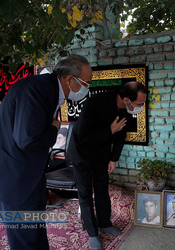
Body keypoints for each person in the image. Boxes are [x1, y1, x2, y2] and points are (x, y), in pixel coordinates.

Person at [0, 54, 92, 250]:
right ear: (70, 79)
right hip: (12, 176)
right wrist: (54, 128)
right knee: (24, 237)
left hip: (29, 172)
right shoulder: (37, 89)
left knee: (35, 229)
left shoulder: (49, 89)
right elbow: (28, 140)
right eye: (86, 83)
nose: (87, 89)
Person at [67, 81, 147, 250]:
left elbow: (120, 136)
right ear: (126, 99)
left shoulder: (126, 110)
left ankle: (104, 223)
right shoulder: (95, 103)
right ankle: (92, 233)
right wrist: (109, 131)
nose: (141, 106)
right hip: (82, 154)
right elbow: (82, 136)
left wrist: (113, 159)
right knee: (86, 194)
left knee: (102, 188)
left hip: (101, 154)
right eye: (140, 103)